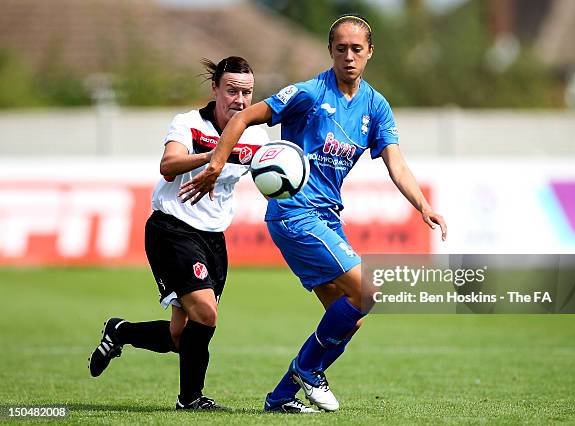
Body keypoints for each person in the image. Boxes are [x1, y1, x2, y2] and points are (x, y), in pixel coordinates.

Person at [179, 14, 447, 413]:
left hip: (326, 217)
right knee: (368, 291)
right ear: (330, 51)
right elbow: (242, 117)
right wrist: (216, 163)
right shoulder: (307, 93)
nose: (349, 56)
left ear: (370, 52)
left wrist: (423, 204)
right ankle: (308, 370)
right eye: (341, 48)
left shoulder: (376, 106)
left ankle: (281, 397)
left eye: (357, 49)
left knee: (348, 317)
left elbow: (396, 163)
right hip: (293, 211)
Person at [87, 56, 273, 411]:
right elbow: (168, 165)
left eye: (246, 93)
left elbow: (270, 177)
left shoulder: (256, 137)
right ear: (215, 88)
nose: (239, 99)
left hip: (213, 239)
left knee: (179, 337)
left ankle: (120, 331)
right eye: (231, 90)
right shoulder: (188, 124)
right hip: (172, 229)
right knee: (207, 313)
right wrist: (214, 157)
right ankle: (190, 399)